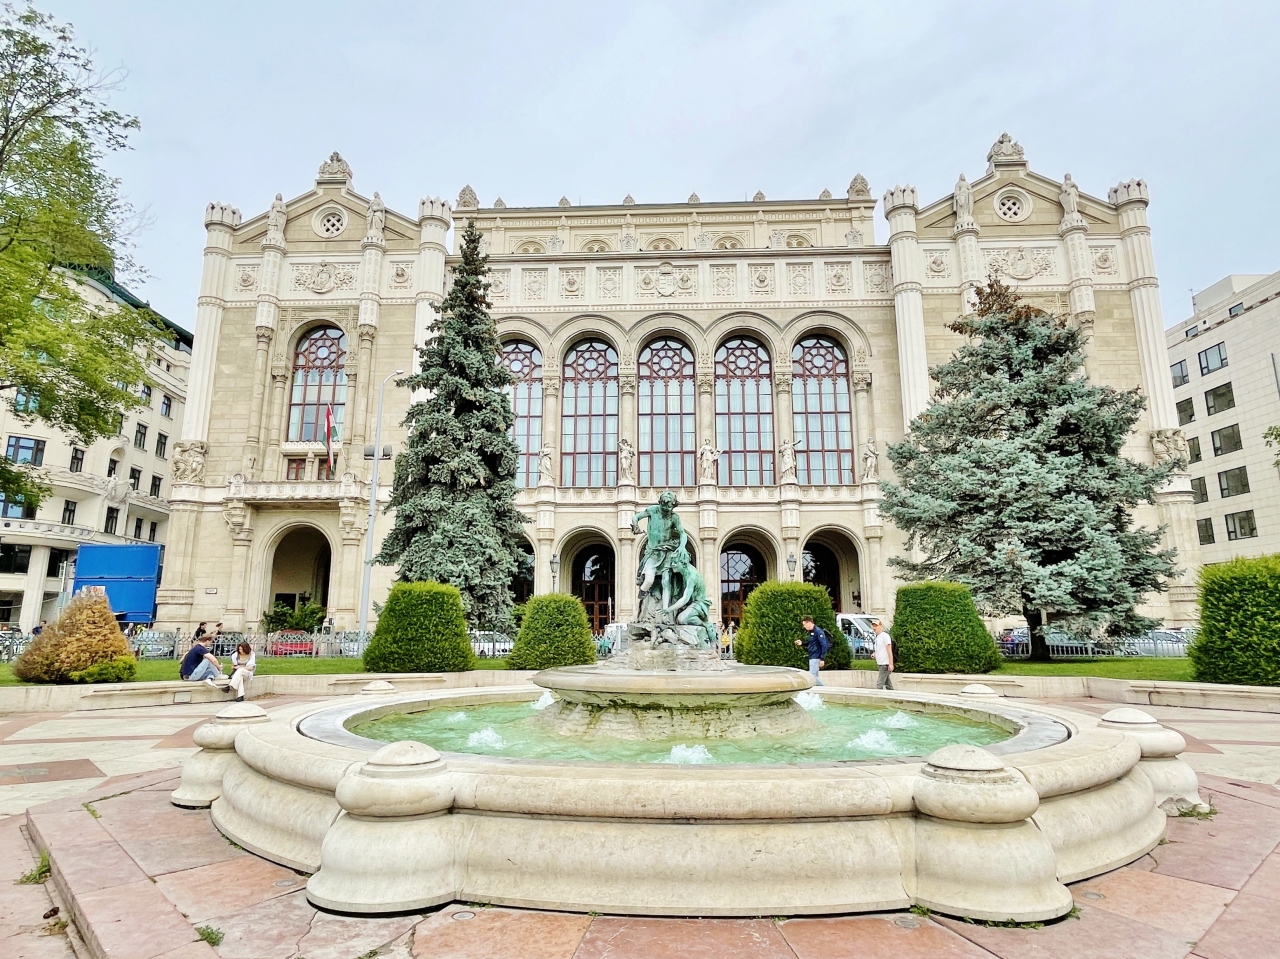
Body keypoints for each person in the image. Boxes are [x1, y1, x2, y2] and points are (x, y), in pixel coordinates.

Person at [795, 615, 831, 686]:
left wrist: (822, 658)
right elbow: (811, 643)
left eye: (804, 625)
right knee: (814, 676)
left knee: (812, 676)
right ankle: (819, 690)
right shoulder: (811, 632)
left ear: (808, 622)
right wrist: (802, 643)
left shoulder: (818, 631)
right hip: (812, 656)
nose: (804, 627)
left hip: (816, 656)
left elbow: (824, 645)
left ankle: (825, 688)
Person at [872, 617, 894, 690]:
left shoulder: (885, 636)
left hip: (885, 664)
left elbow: (889, 650)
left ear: (880, 626)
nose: (874, 628)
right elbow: (880, 649)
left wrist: (891, 664)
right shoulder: (878, 637)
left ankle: (877, 696)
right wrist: (875, 654)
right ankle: (892, 694)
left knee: (879, 684)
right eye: (873, 626)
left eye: (876, 626)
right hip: (880, 663)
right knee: (888, 684)